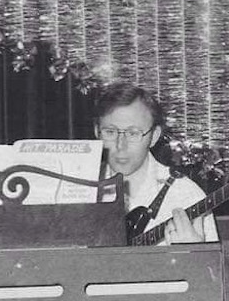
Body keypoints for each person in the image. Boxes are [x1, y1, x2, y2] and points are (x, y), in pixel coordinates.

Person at [93, 82, 218, 244]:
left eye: (133, 133)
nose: (120, 145)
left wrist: (193, 257)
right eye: (110, 132)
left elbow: (210, 269)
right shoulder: (76, 190)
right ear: (97, 132)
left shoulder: (187, 195)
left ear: (154, 136)